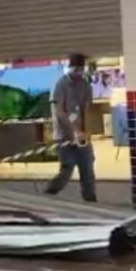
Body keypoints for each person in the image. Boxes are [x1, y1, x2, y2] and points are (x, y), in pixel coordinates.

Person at [45, 53, 96, 202]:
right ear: (70, 68)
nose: (78, 73)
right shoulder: (60, 85)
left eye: (81, 69)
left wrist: (85, 131)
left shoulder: (85, 86)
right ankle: (48, 194)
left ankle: (90, 200)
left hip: (81, 136)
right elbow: (60, 113)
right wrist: (73, 132)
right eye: (76, 69)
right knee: (67, 170)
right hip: (64, 137)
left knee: (87, 170)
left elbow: (86, 109)